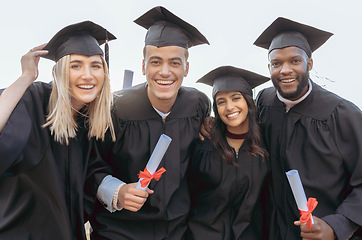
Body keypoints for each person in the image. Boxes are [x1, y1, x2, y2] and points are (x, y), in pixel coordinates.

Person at [89, 6, 211, 239]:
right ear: (143, 66)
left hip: (176, 231)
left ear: (186, 68)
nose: (165, 72)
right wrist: (118, 191)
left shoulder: (197, 104)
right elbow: (91, 163)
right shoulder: (115, 108)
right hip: (119, 231)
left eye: (175, 63)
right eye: (155, 62)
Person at [0, 21, 116, 239]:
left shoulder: (90, 122)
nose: (88, 75)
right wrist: (25, 78)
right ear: (58, 72)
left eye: (96, 65)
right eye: (76, 65)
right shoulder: (34, 98)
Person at [254, 17, 362, 239]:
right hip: (271, 230)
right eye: (277, 63)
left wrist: (336, 226)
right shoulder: (264, 101)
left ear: (309, 63)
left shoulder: (341, 114)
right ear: (269, 67)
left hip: (319, 233)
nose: (285, 70)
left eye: (295, 61)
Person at [186, 66, 270, 239]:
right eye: (221, 101)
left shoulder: (266, 146)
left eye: (236, 98)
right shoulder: (204, 145)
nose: (229, 107)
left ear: (248, 101)